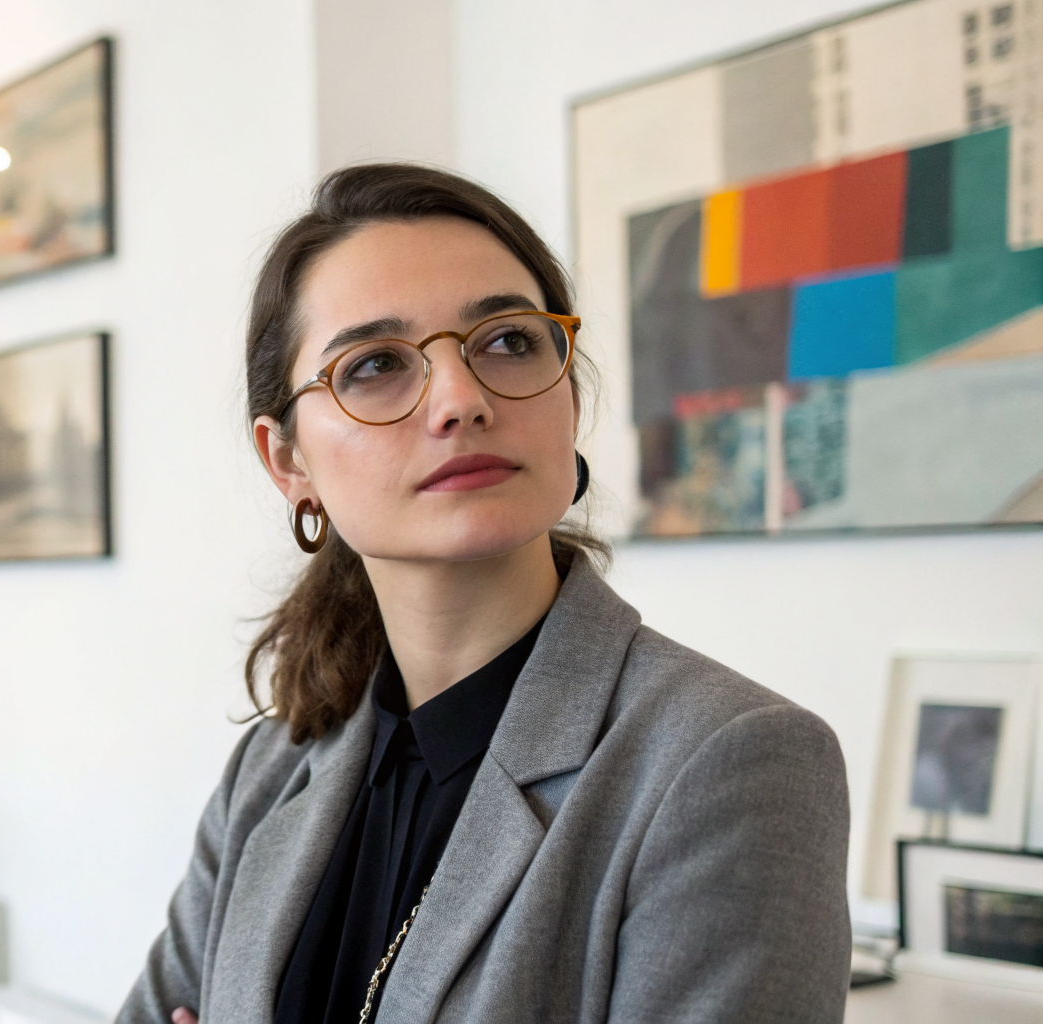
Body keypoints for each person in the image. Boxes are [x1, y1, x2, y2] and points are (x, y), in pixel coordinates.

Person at [116, 164, 851, 1024]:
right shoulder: (272, 765)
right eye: (376, 364)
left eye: (508, 342)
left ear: (568, 394)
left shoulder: (730, 760)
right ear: (289, 461)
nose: (461, 400)